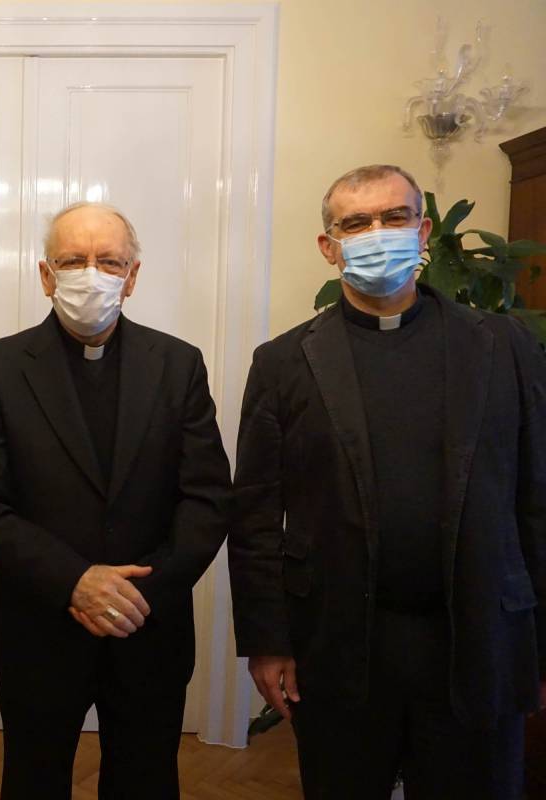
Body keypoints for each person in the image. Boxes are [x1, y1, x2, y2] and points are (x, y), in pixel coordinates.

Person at [228, 164, 546, 799]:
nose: (378, 233)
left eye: (395, 217)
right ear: (329, 247)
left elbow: (537, 496)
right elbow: (255, 514)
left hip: (477, 635)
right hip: (339, 642)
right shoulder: (283, 362)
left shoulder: (503, 344)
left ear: (423, 231)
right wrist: (267, 642)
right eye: (356, 223)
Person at [0, 202, 232, 799]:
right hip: (40, 623)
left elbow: (206, 497)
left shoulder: (178, 365)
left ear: (132, 276)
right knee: (34, 780)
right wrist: (74, 581)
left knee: (146, 780)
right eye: (73, 260)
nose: (91, 274)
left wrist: (138, 594)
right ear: (46, 275)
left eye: (110, 261)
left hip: (150, 623)